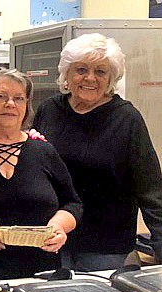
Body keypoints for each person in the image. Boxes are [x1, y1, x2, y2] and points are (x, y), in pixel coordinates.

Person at [34, 33, 162, 271]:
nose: (90, 78)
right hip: (51, 239)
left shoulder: (127, 119)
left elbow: (151, 189)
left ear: (111, 78)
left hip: (106, 247)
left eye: (100, 71)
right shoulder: (49, 110)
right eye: (81, 69)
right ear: (67, 74)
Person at [0, 69, 82, 282]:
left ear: (26, 106)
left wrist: (60, 226)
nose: (10, 104)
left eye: (19, 98)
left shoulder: (43, 150)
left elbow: (73, 203)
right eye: (1, 96)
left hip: (42, 275)